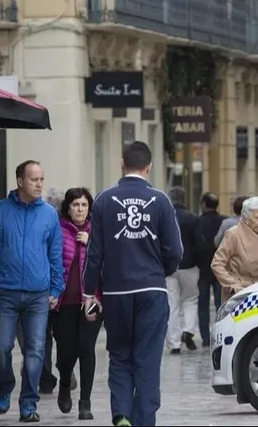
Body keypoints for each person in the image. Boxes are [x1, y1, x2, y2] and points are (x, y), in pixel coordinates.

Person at [82, 141, 183, 427]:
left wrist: (89, 292)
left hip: (116, 292)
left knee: (120, 355)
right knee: (147, 360)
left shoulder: (103, 200)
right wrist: (161, 271)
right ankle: (144, 420)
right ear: (149, 167)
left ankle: (122, 414)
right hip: (152, 290)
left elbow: (94, 253)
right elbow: (175, 251)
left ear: (122, 164)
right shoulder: (160, 201)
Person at [0, 160, 64, 423]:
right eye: (34, 179)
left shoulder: (49, 215)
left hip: (38, 295)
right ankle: (5, 385)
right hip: (6, 292)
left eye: (41, 179)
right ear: (20, 181)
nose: (39, 184)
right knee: (0, 347)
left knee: (35, 351)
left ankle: (28, 403)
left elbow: (56, 255)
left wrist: (56, 288)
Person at [52, 187, 102, 420]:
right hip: (65, 301)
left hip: (92, 299)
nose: (80, 209)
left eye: (83, 205)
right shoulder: (58, 230)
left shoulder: (98, 231)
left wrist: (91, 244)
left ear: (89, 208)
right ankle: (64, 383)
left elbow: (108, 262)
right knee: (67, 352)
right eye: (75, 205)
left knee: (86, 348)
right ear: (68, 208)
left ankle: (85, 402)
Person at [211, 196, 258, 301]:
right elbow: (217, 264)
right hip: (239, 293)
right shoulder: (233, 234)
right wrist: (233, 284)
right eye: (257, 218)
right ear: (246, 218)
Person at [166, 186, 203, 354]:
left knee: (171, 304)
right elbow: (199, 243)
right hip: (190, 266)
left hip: (168, 267)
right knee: (190, 299)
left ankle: (174, 343)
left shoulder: (164, 216)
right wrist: (199, 263)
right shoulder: (193, 218)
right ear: (184, 199)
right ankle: (188, 330)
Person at [196, 192, 225, 346]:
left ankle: (206, 338)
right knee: (220, 304)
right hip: (221, 268)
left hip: (203, 268)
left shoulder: (198, 222)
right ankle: (220, 334)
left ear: (204, 204)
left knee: (203, 304)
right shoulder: (224, 221)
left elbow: (194, 244)